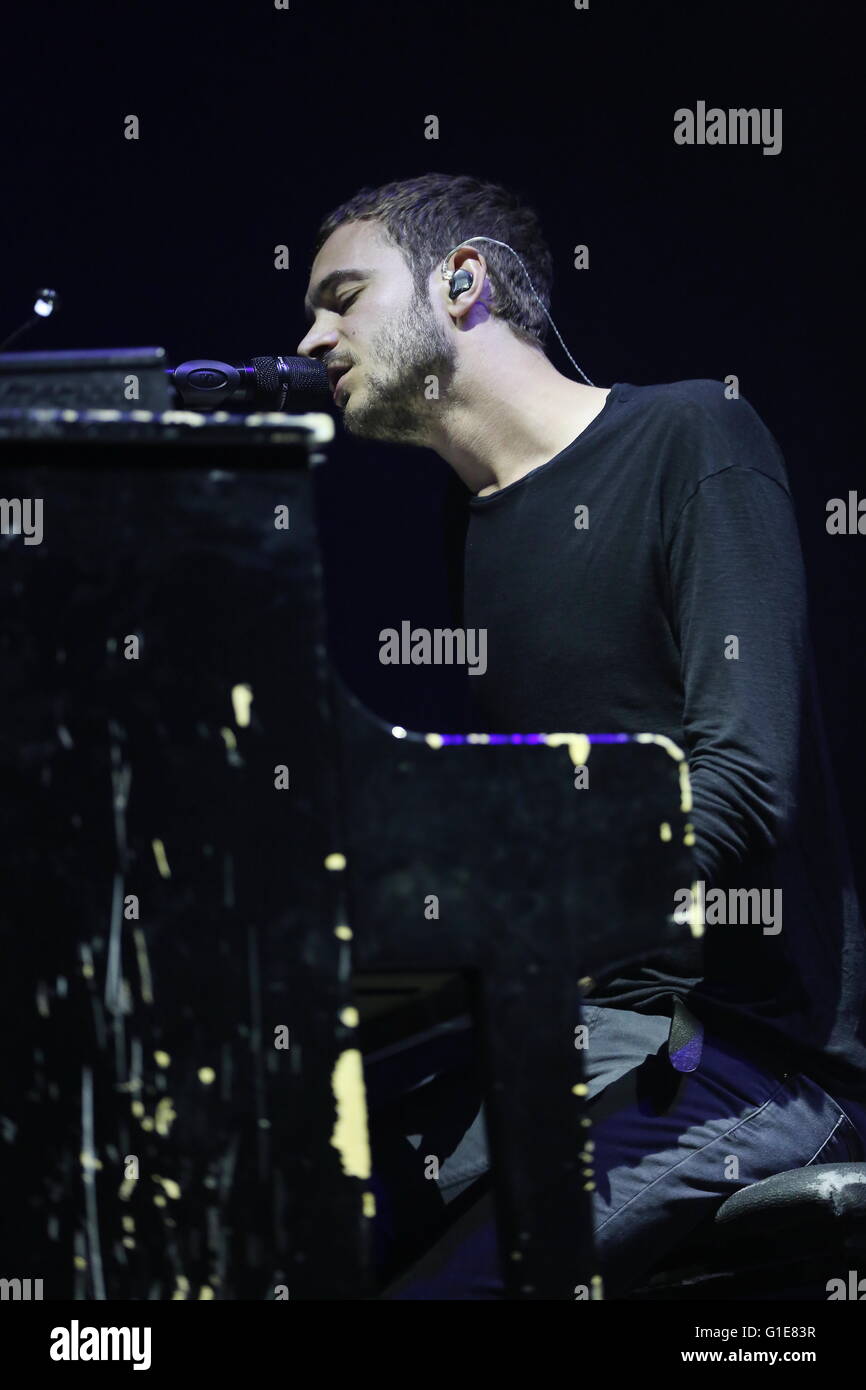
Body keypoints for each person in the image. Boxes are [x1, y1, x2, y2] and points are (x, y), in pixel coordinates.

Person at [297, 172, 866, 1298]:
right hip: (562, 1041)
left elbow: (745, 791)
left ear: (461, 282)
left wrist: (477, 896)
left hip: (735, 1054)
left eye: (342, 297)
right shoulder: (468, 527)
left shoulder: (694, 434)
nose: (310, 333)